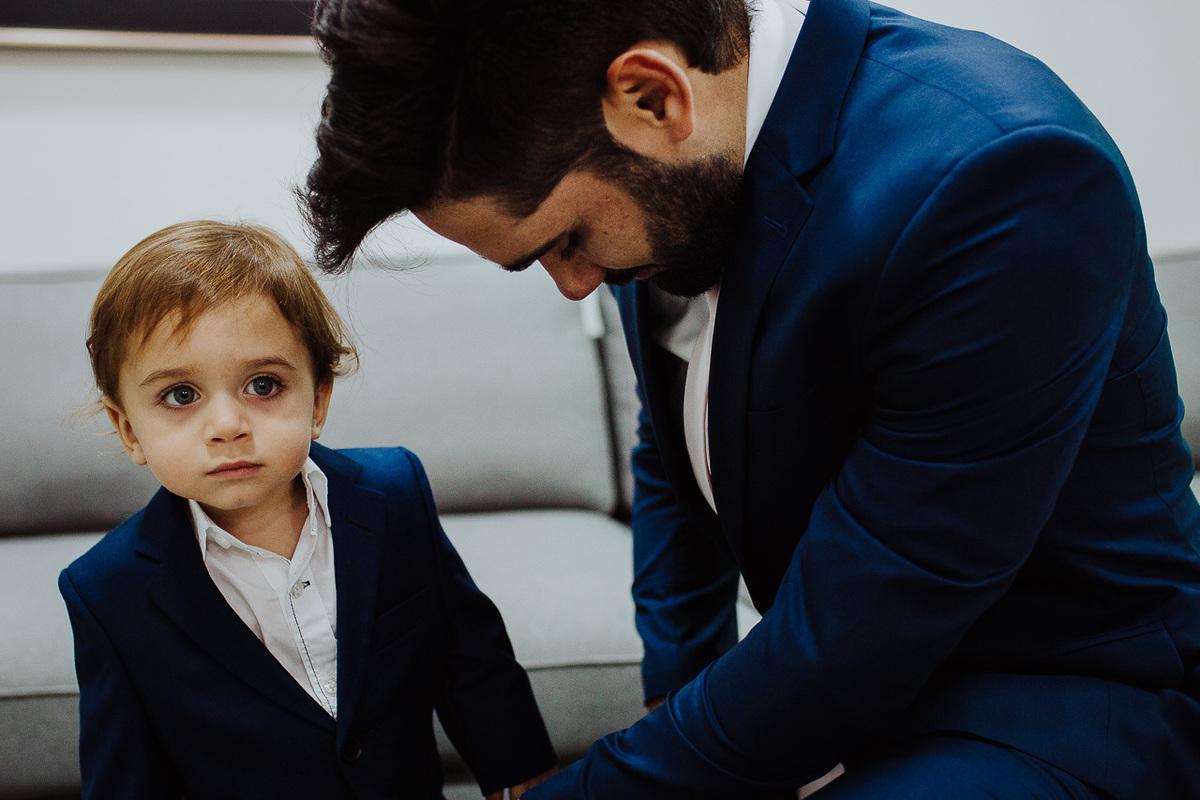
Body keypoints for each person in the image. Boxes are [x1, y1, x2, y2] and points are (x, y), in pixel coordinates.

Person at [300, 0, 1200, 797]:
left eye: (563, 240)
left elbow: (860, 634)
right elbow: (672, 452)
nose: (574, 286)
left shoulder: (998, 176)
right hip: (845, 694)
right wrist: (677, 704)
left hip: (1051, 703)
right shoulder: (670, 169)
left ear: (654, 97)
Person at [58, 220, 557, 799]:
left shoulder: (393, 494)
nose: (226, 427)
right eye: (180, 395)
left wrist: (520, 773)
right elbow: (126, 777)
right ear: (129, 430)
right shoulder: (107, 590)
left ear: (317, 400)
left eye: (263, 386)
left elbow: (471, 657)